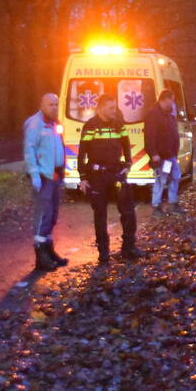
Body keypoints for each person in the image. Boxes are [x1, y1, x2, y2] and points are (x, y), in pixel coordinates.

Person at [78, 93, 140, 263]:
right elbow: (82, 153)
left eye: (115, 107)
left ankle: (129, 248)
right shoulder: (90, 126)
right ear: (101, 108)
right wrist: (83, 177)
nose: (115, 110)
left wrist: (127, 165)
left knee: (128, 210)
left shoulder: (118, 124)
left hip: (117, 173)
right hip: (97, 176)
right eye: (111, 108)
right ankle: (103, 253)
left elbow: (127, 147)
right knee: (100, 214)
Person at [23, 93, 69, 271]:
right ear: (42, 105)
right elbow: (29, 150)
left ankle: (49, 250)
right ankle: (41, 255)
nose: (54, 108)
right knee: (44, 215)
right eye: (51, 105)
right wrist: (34, 174)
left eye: (57, 104)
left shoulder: (55, 123)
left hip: (55, 175)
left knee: (53, 215)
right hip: (43, 176)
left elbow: (59, 146)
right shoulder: (35, 124)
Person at [143, 88, 184, 217]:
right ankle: (156, 206)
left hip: (169, 156)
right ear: (165, 99)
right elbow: (149, 136)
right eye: (171, 100)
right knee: (161, 180)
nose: (172, 103)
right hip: (161, 157)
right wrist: (154, 153)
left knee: (174, 177)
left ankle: (172, 204)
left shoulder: (167, 113)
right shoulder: (153, 114)